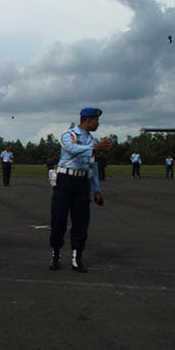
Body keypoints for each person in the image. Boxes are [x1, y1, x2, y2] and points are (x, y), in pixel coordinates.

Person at [49, 107, 112, 274]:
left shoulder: (91, 140)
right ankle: (56, 254)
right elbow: (71, 149)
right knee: (59, 219)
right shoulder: (69, 135)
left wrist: (96, 189)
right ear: (88, 120)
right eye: (96, 120)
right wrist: (95, 148)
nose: (97, 124)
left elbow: (92, 166)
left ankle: (77, 258)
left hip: (82, 181)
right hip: (65, 180)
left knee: (81, 221)